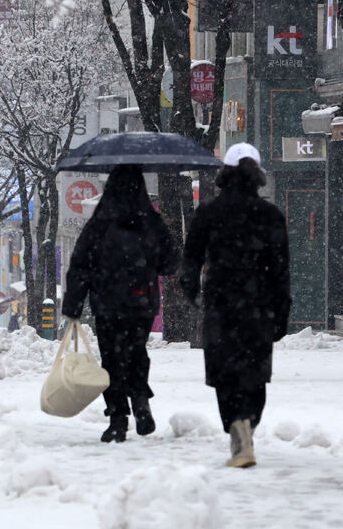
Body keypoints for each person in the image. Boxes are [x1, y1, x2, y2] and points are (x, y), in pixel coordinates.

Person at [181, 143, 290, 468]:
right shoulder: (271, 216)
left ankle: (236, 427)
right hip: (259, 306)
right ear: (257, 174)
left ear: (224, 174)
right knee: (254, 375)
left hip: (220, 304)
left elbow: (191, 259)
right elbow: (282, 271)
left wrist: (193, 293)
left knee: (225, 373)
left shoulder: (208, 213)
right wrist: (281, 312)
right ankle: (249, 424)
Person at [62, 164, 177, 443]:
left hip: (108, 300)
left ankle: (117, 418)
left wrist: (73, 303)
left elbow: (80, 264)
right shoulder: (151, 220)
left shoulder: (99, 222)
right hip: (142, 299)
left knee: (112, 357)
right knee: (136, 350)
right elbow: (170, 262)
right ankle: (140, 400)